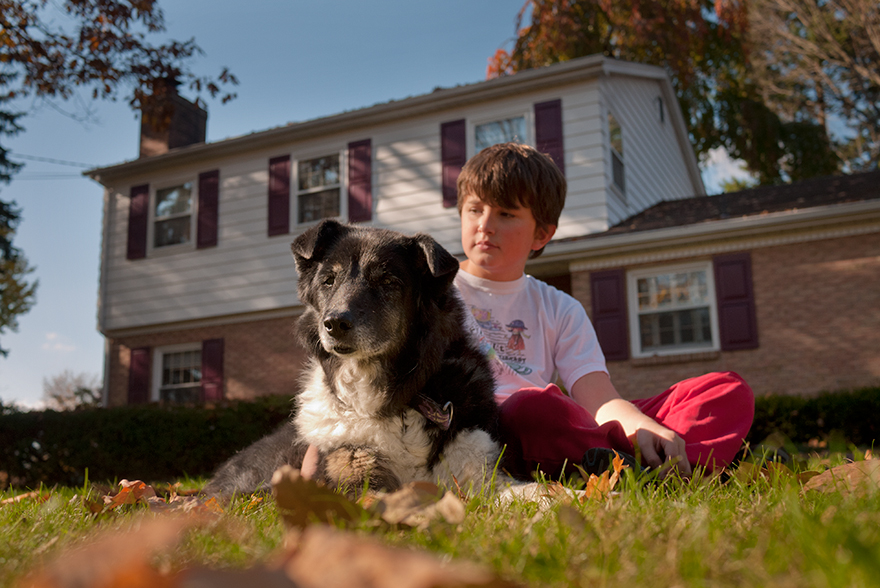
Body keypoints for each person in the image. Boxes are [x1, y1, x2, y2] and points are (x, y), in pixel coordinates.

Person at [453, 142, 754, 480]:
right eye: (475, 209)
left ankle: (642, 463)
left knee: (726, 390)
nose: (485, 225)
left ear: (541, 234)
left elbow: (599, 400)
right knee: (531, 407)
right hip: (497, 433)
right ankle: (643, 466)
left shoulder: (560, 307)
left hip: (564, 430)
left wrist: (642, 426)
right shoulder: (435, 291)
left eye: (506, 214)